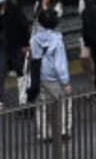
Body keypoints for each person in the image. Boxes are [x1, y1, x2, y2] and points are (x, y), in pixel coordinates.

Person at [30, 8, 72, 141]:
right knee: (63, 103)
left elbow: (34, 58)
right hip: (54, 78)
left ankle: (43, 133)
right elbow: (60, 64)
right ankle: (62, 130)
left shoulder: (34, 39)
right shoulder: (57, 39)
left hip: (39, 76)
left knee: (41, 105)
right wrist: (65, 82)